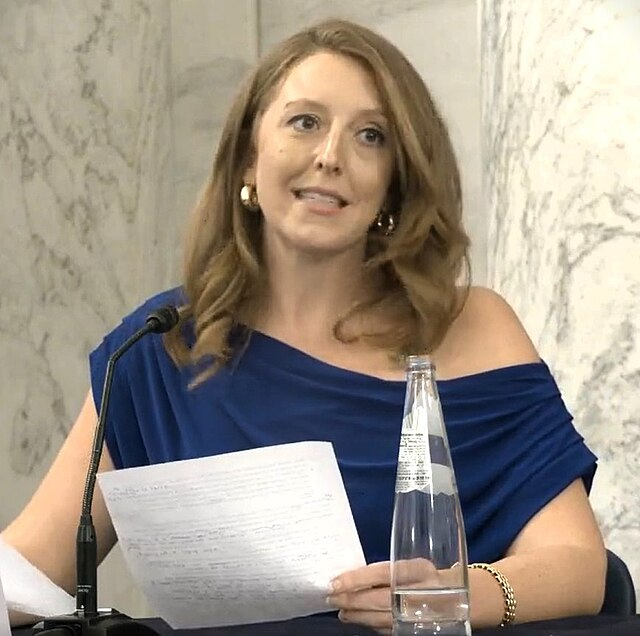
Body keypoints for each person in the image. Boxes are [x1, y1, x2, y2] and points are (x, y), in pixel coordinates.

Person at [2, 18, 605, 633]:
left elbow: (579, 566)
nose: (330, 156)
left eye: (370, 136)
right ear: (248, 157)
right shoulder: (160, 346)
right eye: (305, 122)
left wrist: (458, 596)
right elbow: (31, 567)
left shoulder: (472, 326)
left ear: (394, 183)